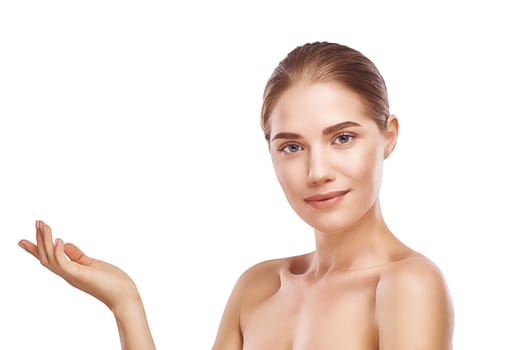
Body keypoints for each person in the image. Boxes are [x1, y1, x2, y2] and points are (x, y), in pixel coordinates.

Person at [19, 41, 454, 350]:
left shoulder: (407, 286)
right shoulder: (259, 287)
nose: (317, 172)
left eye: (342, 138)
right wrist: (125, 303)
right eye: (292, 147)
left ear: (388, 136)